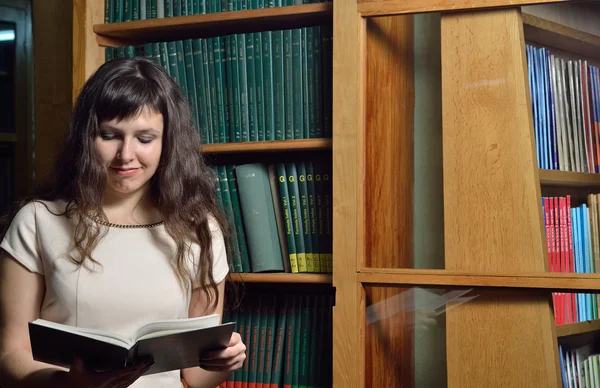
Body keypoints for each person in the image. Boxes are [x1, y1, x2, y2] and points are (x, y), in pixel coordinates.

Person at [0, 57, 246, 388]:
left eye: (145, 138)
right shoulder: (37, 222)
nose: (126, 154)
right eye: (110, 135)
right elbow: (10, 354)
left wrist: (224, 363)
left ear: (167, 142)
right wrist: (65, 385)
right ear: (87, 137)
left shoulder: (200, 230)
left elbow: (196, 376)